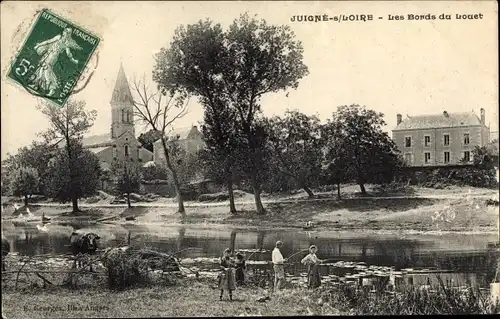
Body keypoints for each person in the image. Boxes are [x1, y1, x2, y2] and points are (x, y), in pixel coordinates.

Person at [28, 27, 82, 96]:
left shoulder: (67, 43)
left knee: (46, 71)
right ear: (63, 31)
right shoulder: (58, 37)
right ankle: (36, 85)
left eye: (68, 32)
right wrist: (39, 45)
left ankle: (52, 89)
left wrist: (73, 60)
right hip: (48, 54)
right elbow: (48, 41)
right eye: (65, 31)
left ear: (69, 34)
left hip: (53, 57)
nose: (65, 33)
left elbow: (68, 53)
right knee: (41, 70)